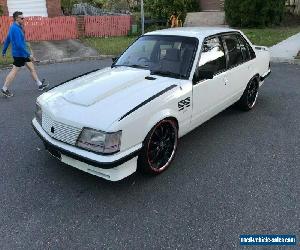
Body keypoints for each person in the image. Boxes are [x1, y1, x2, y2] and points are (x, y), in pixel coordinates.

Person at [1, 11, 48, 98]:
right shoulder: (15, 29)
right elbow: (18, 44)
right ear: (16, 19)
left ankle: (39, 84)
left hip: (22, 53)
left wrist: (3, 51)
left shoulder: (15, 27)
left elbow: (7, 39)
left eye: (23, 17)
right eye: (21, 18)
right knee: (14, 71)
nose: (23, 19)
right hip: (20, 54)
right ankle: (4, 89)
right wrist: (29, 54)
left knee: (31, 68)